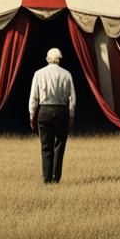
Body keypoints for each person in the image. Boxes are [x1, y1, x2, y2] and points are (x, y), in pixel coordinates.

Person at [29, 47, 76, 184]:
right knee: (59, 145)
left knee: (45, 146)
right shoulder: (66, 74)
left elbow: (34, 98)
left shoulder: (38, 74)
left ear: (47, 59)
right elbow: (72, 97)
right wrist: (71, 116)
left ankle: (46, 178)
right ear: (60, 59)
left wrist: (32, 115)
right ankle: (56, 178)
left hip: (44, 111)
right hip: (61, 112)